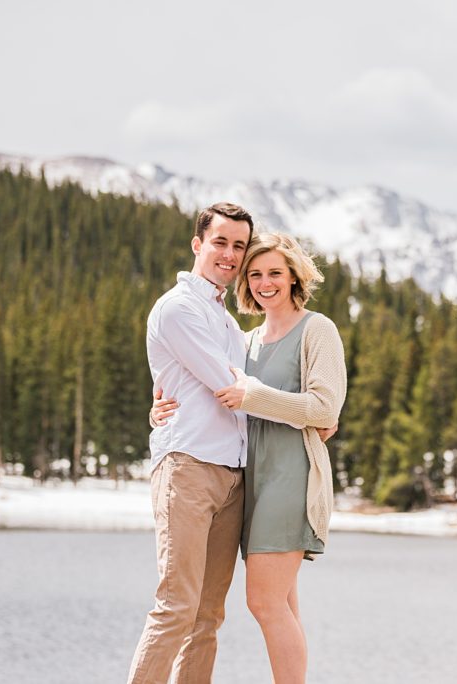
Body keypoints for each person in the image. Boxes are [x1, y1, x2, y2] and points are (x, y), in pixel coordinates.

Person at [152, 232, 347, 684]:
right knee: (283, 603)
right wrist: (158, 405)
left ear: (294, 276)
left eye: (275, 273)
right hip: (249, 481)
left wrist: (255, 396)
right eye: (255, 274)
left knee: (263, 602)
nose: (265, 282)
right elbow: (204, 384)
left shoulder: (318, 329)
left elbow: (324, 408)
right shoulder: (247, 340)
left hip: (290, 478)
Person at [127, 202, 253, 684]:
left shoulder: (225, 319)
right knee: (176, 606)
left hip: (232, 478)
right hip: (189, 469)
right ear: (198, 244)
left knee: (208, 617)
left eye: (238, 245)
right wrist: (301, 408)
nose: (229, 254)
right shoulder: (179, 308)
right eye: (220, 242)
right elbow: (229, 385)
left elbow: (244, 378)